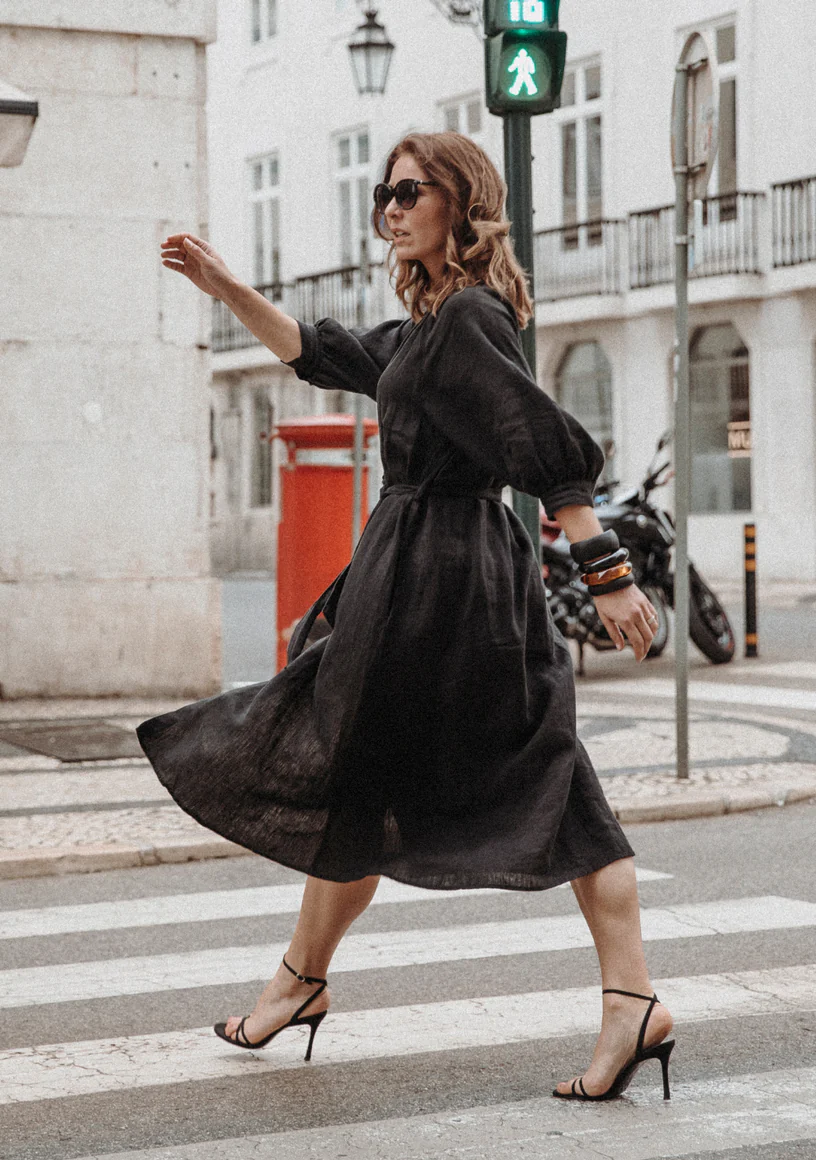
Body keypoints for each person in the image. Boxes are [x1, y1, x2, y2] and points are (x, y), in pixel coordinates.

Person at [138, 131, 674, 1102]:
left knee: (545, 780)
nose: (389, 205)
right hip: (415, 578)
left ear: (459, 204)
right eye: (383, 191)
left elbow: (536, 437)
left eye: (410, 190)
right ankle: (301, 980)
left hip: (454, 583)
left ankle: (629, 996)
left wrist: (606, 570)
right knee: (364, 772)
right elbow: (321, 351)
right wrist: (228, 290)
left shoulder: (469, 317)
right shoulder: (428, 327)